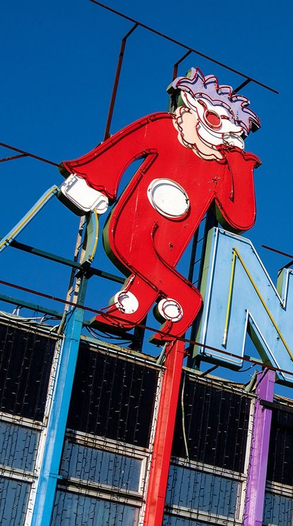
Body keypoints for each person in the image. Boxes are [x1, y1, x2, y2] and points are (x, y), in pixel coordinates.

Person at [58, 68, 261, 341]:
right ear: (191, 105)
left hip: (171, 241)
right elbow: (126, 146)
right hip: (132, 225)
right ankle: (183, 303)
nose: (214, 130)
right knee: (158, 272)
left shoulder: (221, 168)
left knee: (155, 272)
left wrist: (240, 165)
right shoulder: (166, 128)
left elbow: (240, 219)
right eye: (212, 117)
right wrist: (95, 181)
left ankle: (131, 309)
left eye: (228, 128)